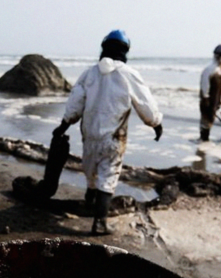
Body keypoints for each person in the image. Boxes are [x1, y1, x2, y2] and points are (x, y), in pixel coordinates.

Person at [51, 30, 163, 235]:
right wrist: (155, 124)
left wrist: (63, 126)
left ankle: (89, 202)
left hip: (89, 136)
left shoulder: (89, 73)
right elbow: (145, 104)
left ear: (104, 47)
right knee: (108, 176)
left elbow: (75, 105)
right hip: (113, 138)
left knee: (91, 171)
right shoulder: (128, 74)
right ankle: (100, 222)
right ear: (125, 50)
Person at [199, 45, 221, 141]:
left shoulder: (219, 70)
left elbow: (219, 88)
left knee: (210, 119)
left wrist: (219, 100)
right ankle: (203, 139)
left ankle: (205, 139)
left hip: (214, 99)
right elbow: (205, 85)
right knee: (206, 120)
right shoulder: (210, 69)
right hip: (207, 99)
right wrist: (206, 98)